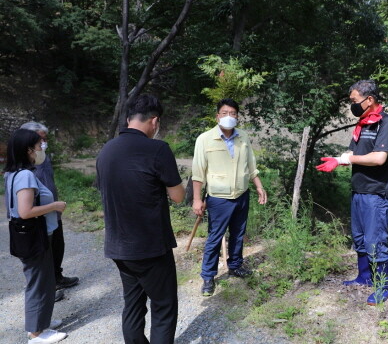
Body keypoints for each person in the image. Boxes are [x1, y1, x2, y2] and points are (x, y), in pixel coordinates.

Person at [96, 94, 184, 344]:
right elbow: (178, 196)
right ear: (154, 121)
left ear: (127, 118)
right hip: (151, 246)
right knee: (163, 306)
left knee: (133, 304)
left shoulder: (107, 150)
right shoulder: (158, 149)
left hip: (119, 246)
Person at [316, 79, 388, 306]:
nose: (352, 105)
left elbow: (379, 158)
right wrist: (339, 159)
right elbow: (354, 152)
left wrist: (347, 159)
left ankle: (383, 287)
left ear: (369, 99)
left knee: (375, 241)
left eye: (354, 101)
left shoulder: (385, 123)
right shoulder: (363, 123)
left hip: (376, 194)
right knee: (359, 238)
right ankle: (364, 277)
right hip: (359, 190)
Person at [192, 98, 267, 297]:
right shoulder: (205, 139)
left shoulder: (243, 137)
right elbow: (198, 173)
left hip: (241, 194)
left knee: (238, 233)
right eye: (224, 113)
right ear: (217, 116)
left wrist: (259, 186)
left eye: (232, 113)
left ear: (237, 117)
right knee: (215, 237)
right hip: (219, 198)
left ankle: (235, 266)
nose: (228, 117)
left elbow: (251, 165)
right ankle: (208, 276)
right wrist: (197, 199)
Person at [4, 129, 68, 343]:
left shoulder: (13, 173)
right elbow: (25, 211)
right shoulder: (25, 176)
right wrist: (55, 206)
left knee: (45, 279)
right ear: (28, 149)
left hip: (32, 235)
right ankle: (36, 333)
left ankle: (41, 322)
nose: (42, 147)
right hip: (34, 237)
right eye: (38, 144)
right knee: (38, 282)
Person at [20, 122, 79, 296]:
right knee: (44, 250)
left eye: (45, 139)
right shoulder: (25, 164)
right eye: (40, 139)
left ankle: (57, 277)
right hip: (39, 213)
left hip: (53, 210)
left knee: (58, 244)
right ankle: (46, 289)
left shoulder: (44, 155)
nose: (44, 142)